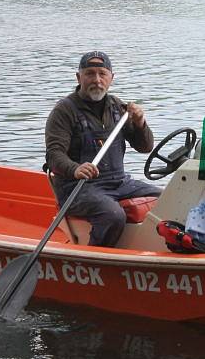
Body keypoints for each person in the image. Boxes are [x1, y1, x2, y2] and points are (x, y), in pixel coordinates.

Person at [45, 51, 162, 247]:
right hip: (77, 188)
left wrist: (140, 123)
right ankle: (94, 259)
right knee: (113, 214)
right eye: (90, 73)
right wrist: (75, 168)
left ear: (111, 78)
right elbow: (54, 156)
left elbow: (145, 147)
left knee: (168, 199)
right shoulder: (63, 111)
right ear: (79, 77)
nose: (97, 80)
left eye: (102, 74)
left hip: (119, 183)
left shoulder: (118, 107)